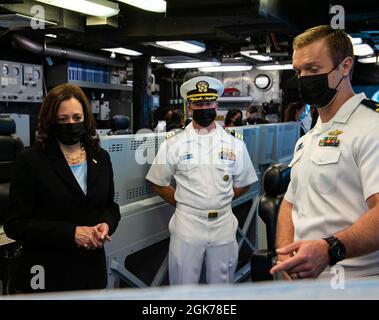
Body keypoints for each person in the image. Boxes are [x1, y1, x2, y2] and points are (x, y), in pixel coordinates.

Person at [270, 25, 379, 281]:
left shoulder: (371, 127)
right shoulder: (310, 137)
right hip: (306, 282)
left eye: (314, 69)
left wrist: (329, 249)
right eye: (299, 71)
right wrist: (286, 256)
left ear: (345, 66)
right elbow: (290, 203)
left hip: (354, 283)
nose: (304, 78)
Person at [4, 83, 121, 292]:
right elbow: (15, 224)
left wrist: (105, 224)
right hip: (46, 273)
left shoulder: (101, 157)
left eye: (77, 118)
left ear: (86, 117)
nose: (71, 124)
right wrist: (71, 233)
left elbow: (110, 207)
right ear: (51, 121)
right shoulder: (30, 161)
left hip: (90, 272)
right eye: (63, 119)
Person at [146, 76, 257, 284]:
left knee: (222, 288)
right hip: (187, 222)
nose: (204, 107)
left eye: (208, 102)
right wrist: (183, 202)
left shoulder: (234, 143)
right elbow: (158, 183)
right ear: (189, 106)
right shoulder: (174, 144)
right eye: (198, 103)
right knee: (183, 288)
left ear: (216, 104)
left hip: (224, 222)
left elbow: (244, 182)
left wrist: (222, 198)